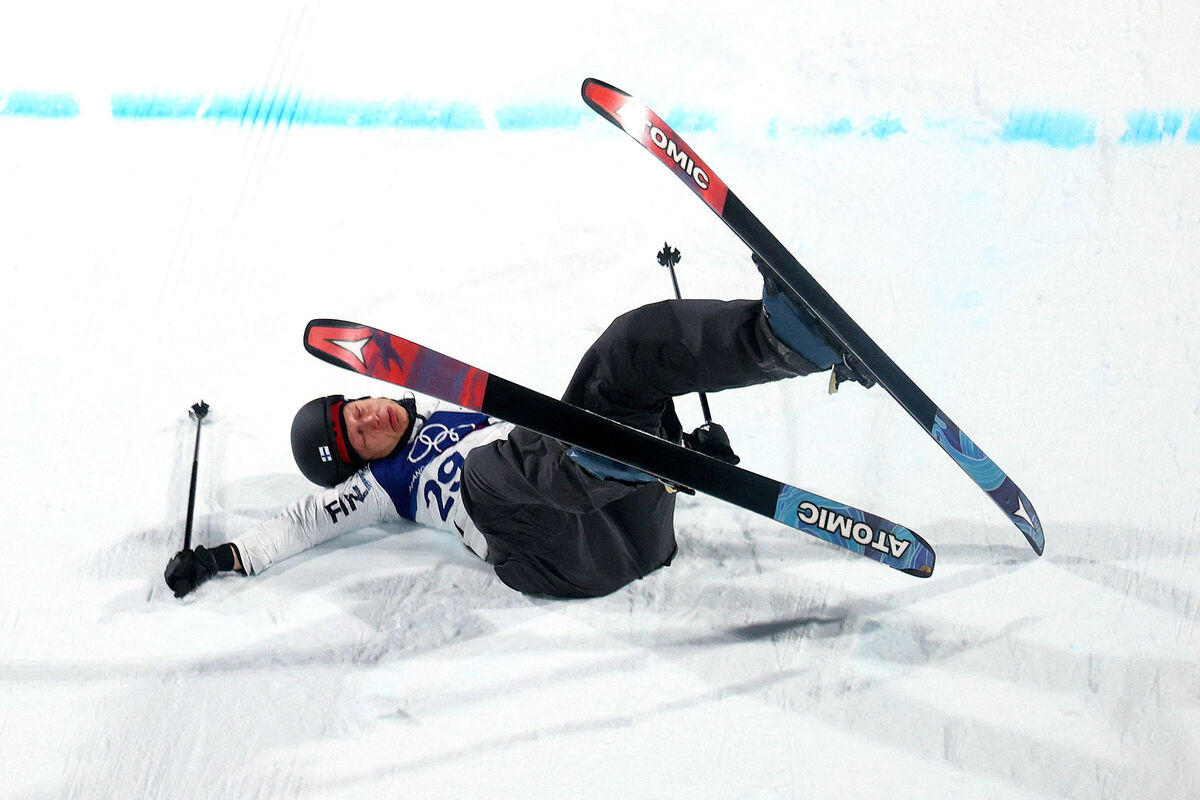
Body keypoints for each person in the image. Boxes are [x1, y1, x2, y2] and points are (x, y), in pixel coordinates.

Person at [164, 258, 874, 598]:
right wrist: (222, 558)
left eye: (359, 408)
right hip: (564, 555)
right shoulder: (385, 486)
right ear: (357, 465)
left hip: (632, 520)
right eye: (360, 435)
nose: (374, 418)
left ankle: (782, 341)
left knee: (624, 350)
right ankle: (616, 463)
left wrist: (677, 443)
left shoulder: (451, 409)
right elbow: (298, 524)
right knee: (483, 472)